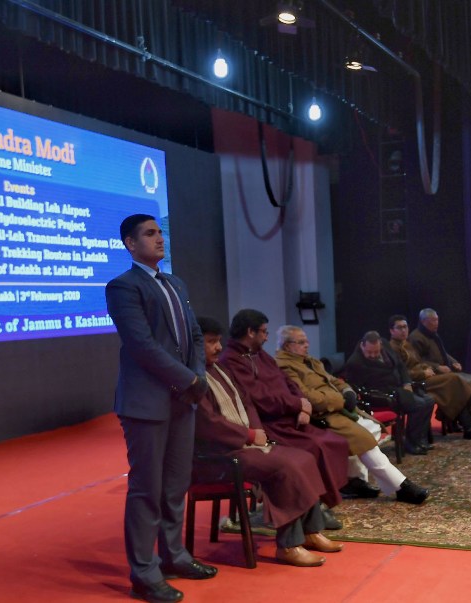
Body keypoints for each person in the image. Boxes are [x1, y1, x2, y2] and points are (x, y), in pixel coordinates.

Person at [105, 214, 218, 603]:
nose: (159, 239)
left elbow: (196, 336)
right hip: (147, 403)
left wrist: (197, 375)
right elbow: (141, 345)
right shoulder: (123, 286)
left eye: (160, 233)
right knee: (147, 490)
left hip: (183, 400)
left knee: (174, 486)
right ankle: (144, 572)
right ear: (130, 243)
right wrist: (188, 380)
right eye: (150, 234)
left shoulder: (175, 283)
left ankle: (174, 556)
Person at [193, 317, 344, 567]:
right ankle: (288, 546)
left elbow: (247, 402)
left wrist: (257, 430)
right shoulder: (193, 377)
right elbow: (208, 424)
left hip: (244, 444)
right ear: (195, 344)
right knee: (286, 467)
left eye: (218, 341)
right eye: (211, 342)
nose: (218, 347)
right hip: (219, 454)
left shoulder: (219, 369)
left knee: (304, 457)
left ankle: (310, 532)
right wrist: (250, 436)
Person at [218, 309, 350, 527]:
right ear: (250, 332)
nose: (267, 337)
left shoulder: (260, 354)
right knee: (314, 447)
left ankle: (319, 505)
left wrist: (303, 404)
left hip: (290, 417)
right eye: (264, 332)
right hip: (269, 423)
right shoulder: (232, 360)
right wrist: (297, 404)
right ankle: (310, 508)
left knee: (335, 442)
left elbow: (287, 381)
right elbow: (259, 398)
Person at [275, 325, 430, 505]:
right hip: (321, 416)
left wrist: (347, 390)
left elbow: (333, 380)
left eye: (306, 341)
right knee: (364, 439)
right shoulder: (284, 366)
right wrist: (340, 399)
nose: (307, 345)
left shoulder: (308, 360)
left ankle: (354, 480)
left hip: (337, 411)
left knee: (371, 429)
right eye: (301, 342)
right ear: (287, 345)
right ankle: (400, 486)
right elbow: (307, 397)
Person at [387, 314, 471, 440]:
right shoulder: (393, 348)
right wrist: (423, 373)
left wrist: (426, 368)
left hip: (426, 378)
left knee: (455, 390)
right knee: (453, 379)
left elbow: (419, 361)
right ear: (391, 330)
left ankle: (469, 427)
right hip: (415, 383)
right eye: (399, 327)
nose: (403, 330)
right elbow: (400, 373)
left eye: (405, 327)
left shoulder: (407, 344)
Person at [342, 331, 436, 455]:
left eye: (376, 352)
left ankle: (420, 440)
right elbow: (357, 388)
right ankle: (411, 443)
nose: (373, 355)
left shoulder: (385, 344)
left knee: (429, 400)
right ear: (362, 346)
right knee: (420, 404)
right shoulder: (355, 362)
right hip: (381, 396)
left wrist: (407, 383)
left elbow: (400, 365)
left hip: (399, 388)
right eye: (369, 352)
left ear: (380, 344)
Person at [408, 308, 471, 418]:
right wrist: (437, 367)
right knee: (456, 380)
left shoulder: (432, 334)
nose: (436, 323)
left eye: (437, 320)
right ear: (423, 321)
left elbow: (443, 353)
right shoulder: (416, 337)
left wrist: (453, 362)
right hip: (431, 375)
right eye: (433, 320)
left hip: (443, 371)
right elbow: (418, 361)